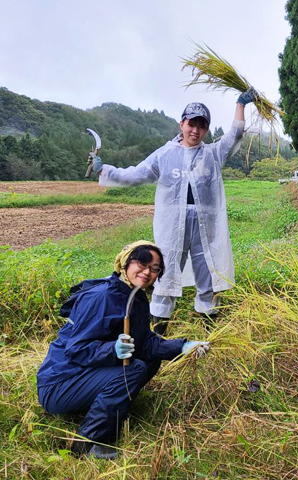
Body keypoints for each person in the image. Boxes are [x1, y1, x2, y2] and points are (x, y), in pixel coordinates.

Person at [90, 90, 257, 333]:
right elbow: (135, 174)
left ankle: (208, 329)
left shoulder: (212, 153)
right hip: (172, 227)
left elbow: (235, 133)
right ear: (182, 123)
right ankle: (158, 332)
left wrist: (240, 104)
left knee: (207, 273)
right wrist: (104, 170)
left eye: (201, 126)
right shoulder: (165, 154)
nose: (195, 131)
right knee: (165, 275)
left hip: (204, 226)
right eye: (191, 124)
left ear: (207, 130)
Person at [37, 241, 210, 459]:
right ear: (126, 262)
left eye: (155, 268)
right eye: (142, 263)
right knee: (134, 368)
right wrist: (113, 349)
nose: (147, 272)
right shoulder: (101, 297)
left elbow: (145, 342)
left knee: (149, 359)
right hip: (60, 383)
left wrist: (182, 347)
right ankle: (87, 444)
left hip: (81, 377)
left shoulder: (134, 295)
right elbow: (76, 349)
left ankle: (107, 410)